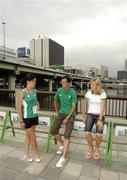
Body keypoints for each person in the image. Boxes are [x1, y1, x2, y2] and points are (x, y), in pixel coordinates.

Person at [51, 76, 77, 168]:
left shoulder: (73, 92)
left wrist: (68, 117)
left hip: (70, 114)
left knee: (67, 135)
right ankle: (62, 144)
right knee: (53, 130)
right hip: (61, 113)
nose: (63, 84)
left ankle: (63, 157)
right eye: (62, 82)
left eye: (65, 82)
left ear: (69, 83)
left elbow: (74, 106)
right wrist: (57, 111)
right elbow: (55, 100)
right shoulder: (59, 91)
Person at [82, 78, 107, 160]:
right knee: (87, 133)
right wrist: (83, 115)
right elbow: (83, 103)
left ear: (97, 85)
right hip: (90, 115)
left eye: (92, 84)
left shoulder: (103, 94)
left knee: (99, 135)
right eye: (91, 84)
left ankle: (96, 149)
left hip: (100, 116)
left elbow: (102, 107)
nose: (91, 86)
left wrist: (100, 119)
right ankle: (90, 148)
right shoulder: (89, 93)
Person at [18, 73, 40, 162]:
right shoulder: (22, 92)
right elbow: (19, 108)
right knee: (33, 136)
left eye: (35, 81)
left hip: (35, 116)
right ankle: (36, 154)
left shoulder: (35, 91)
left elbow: (36, 101)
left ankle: (26, 154)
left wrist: (38, 104)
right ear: (28, 81)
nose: (35, 83)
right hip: (27, 118)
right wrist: (21, 121)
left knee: (28, 136)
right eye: (33, 81)